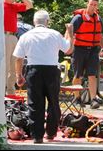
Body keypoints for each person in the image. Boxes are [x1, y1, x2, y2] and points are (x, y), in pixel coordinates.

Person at [13, 10, 74, 143]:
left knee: (35, 104)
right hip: (52, 70)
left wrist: (19, 75)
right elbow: (68, 49)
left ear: (34, 22)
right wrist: (70, 33)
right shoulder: (54, 34)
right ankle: (51, 133)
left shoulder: (26, 36)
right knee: (53, 102)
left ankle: (37, 136)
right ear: (47, 22)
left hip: (33, 70)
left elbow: (18, 58)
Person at [70, 0, 103, 109]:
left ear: (97, 7)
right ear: (87, 4)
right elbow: (70, 31)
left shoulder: (98, 19)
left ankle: (93, 100)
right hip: (79, 49)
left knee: (92, 75)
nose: (93, 7)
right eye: (91, 4)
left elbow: (99, 35)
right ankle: (77, 98)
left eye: (95, 5)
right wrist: (68, 46)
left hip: (93, 50)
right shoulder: (79, 18)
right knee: (78, 75)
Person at [4, 0, 33, 95]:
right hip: (3, 36)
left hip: (13, 37)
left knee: (13, 66)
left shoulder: (14, 6)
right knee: (5, 66)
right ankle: (1, 92)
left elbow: (30, 5)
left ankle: (10, 92)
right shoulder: (0, 5)